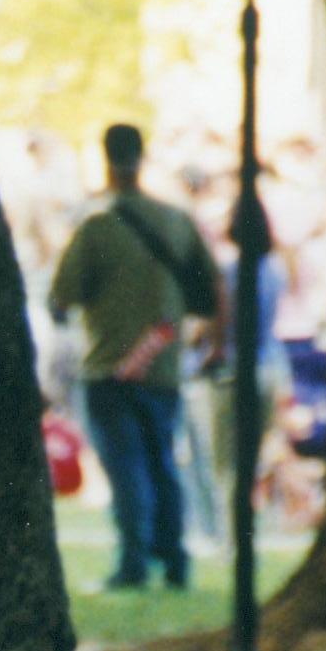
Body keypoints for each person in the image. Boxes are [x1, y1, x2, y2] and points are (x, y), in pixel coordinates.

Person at [48, 122, 218, 592]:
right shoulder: (177, 220)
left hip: (108, 367)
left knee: (125, 472)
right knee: (163, 463)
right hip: (163, 367)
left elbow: (62, 295)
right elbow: (209, 290)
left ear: (104, 157)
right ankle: (176, 559)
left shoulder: (96, 225)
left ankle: (133, 563)